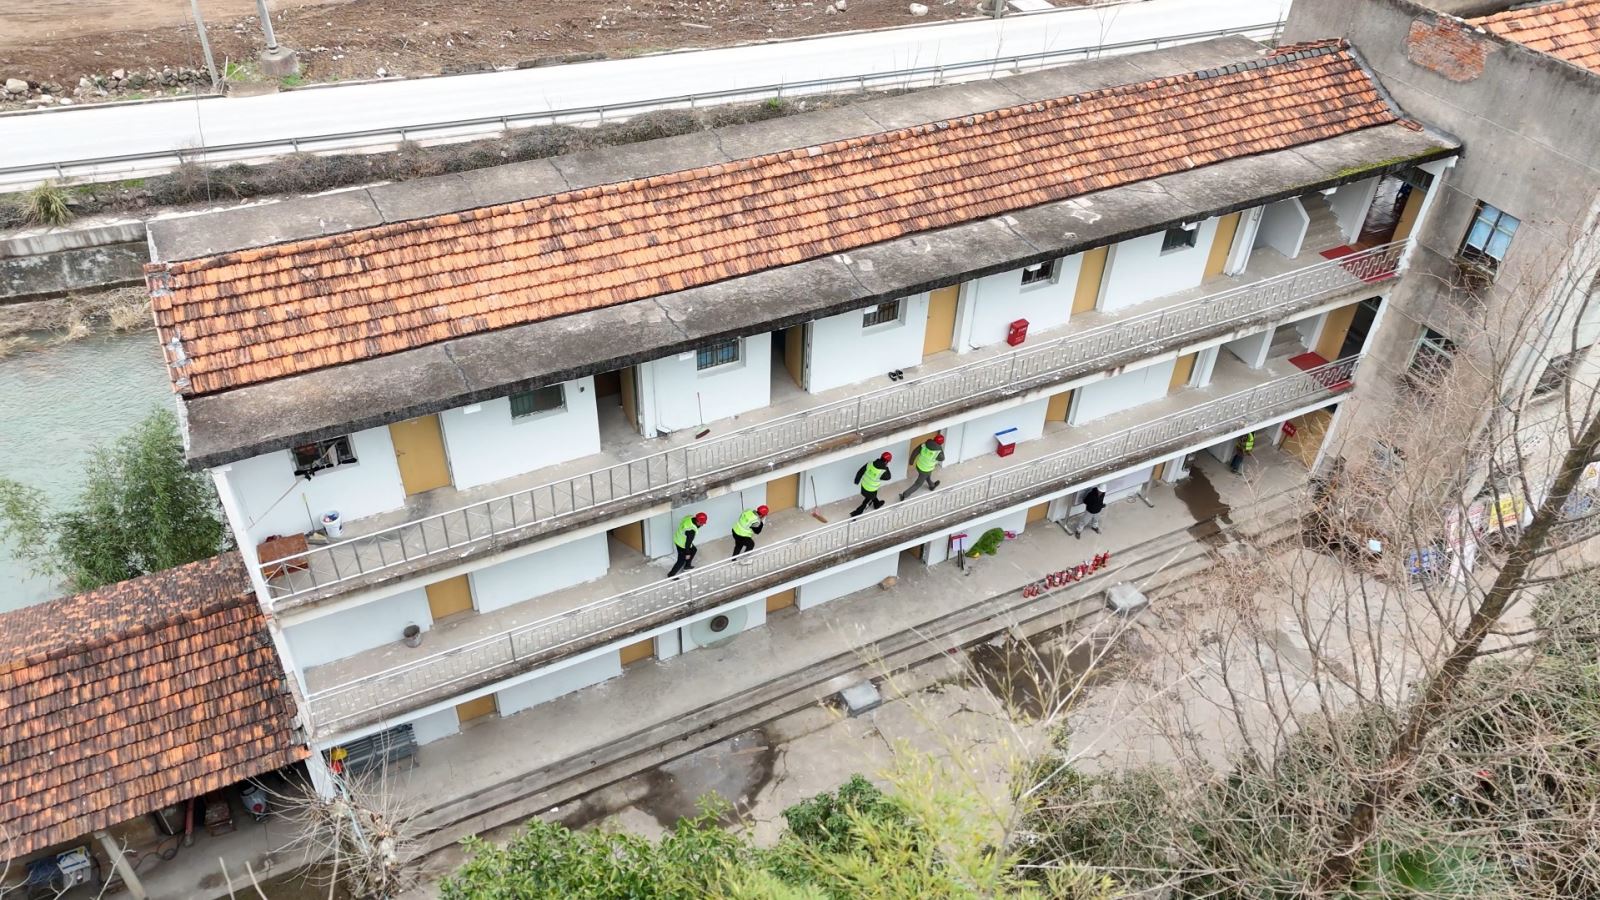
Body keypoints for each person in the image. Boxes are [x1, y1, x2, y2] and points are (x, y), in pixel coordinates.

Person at [899, 434, 945, 501]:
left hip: (919, 466)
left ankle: (932, 486)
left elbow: (915, 452)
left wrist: (911, 461)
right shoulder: (938, 453)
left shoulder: (924, 445)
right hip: (925, 470)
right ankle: (904, 495)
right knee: (918, 484)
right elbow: (943, 458)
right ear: (941, 443)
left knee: (927, 476)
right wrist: (939, 448)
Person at [851, 451, 894, 517]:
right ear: (886, 461)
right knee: (866, 502)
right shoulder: (883, 471)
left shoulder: (870, 464)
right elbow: (888, 477)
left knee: (873, 496)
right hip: (870, 490)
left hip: (863, 486)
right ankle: (856, 514)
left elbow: (860, 471)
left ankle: (877, 504)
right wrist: (886, 468)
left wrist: (857, 481)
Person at [669, 511, 707, 577]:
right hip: (681, 544)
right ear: (698, 522)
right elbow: (687, 544)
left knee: (694, 550)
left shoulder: (689, 518)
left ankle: (687, 566)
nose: (702, 525)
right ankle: (671, 575)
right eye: (702, 523)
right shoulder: (691, 531)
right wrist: (687, 553)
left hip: (678, 537)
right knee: (681, 561)